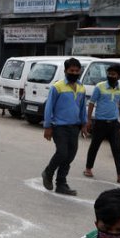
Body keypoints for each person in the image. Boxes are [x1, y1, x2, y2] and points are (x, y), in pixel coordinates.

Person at [42, 57, 87, 196]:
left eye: (76, 70)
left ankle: (61, 184)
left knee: (69, 156)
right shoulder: (57, 86)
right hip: (59, 127)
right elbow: (49, 107)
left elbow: (82, 108)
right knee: (62, 152)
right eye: (71, 70)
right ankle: (48, 172)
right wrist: (47, 126)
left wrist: (84, 124)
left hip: (75, 127)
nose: (74, 73)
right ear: (66, 71)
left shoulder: (81, 87)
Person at [84, 64, 120, 184]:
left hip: (113, 124)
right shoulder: (99, 87)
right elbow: (91, 103)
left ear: (119, 76)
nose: (111, 76)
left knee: (117, 149)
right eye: (109, 74)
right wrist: (89, 120)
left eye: (114, 74)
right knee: (94, 147)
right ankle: (88, 169)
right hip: (100, 123)